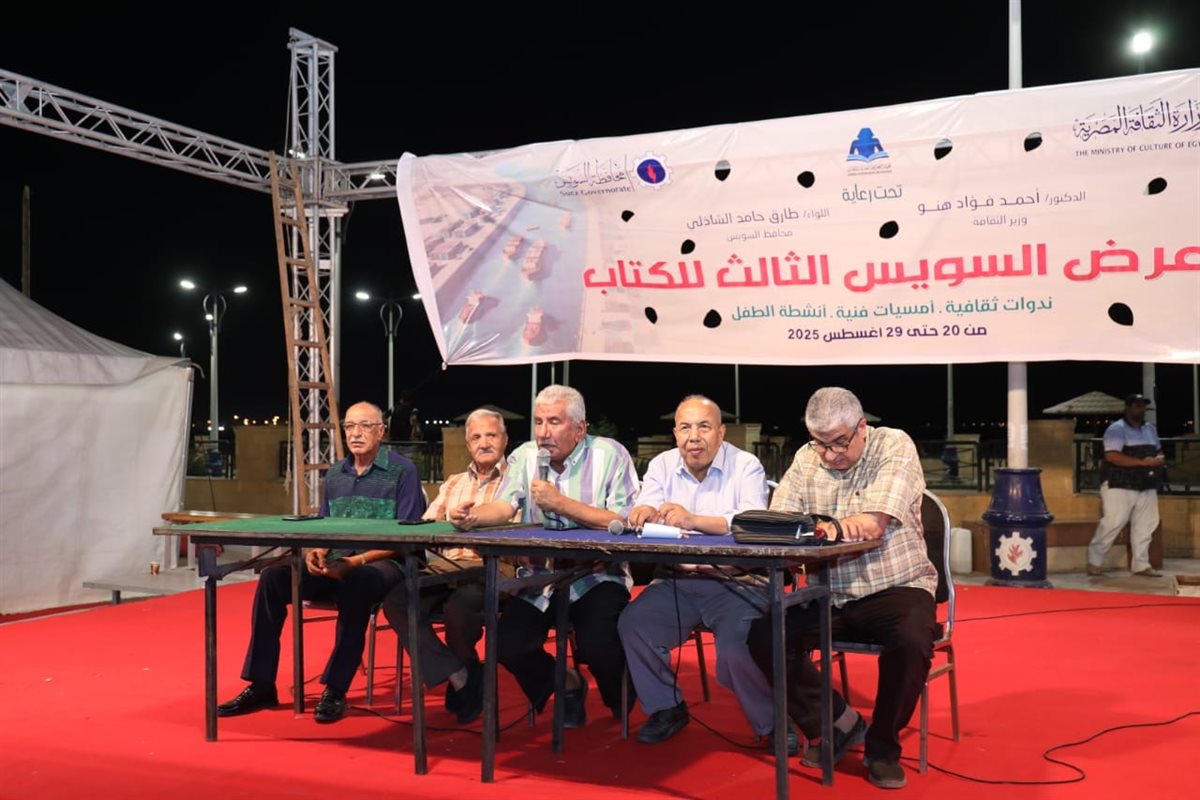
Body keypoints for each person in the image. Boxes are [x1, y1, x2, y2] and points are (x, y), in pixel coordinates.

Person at [746, 387, 937, 790]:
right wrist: (779, 533)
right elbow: (781, 519)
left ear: (862, 427)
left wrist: (827, 529)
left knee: (910, 640)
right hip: (829, 592)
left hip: (896, 585)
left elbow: (873, 523)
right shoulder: (806, 457)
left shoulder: (893, 445)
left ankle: (882, 747)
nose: (830, 454)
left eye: (838, 443)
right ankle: (837, 723)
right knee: (765, 634)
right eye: (820, 443)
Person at [217, 401, 427, 723]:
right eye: (350, 426)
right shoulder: (336, 474)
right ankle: (261, 684)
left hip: (387, 562)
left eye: (365, 426)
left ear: (381, 431)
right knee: (274, 578)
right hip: (338, 561)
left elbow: (407, 538)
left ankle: (335, 689)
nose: (356, 433)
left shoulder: (403, 471)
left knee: (358, 582)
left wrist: (356, 561)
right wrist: (315, 549)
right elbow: (325, 526)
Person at [451, 384, 639, 727]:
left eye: (554, 422)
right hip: (538, 578)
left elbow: (623, 520)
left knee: (598, 642)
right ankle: (567, 684)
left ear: (579, 429)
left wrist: (562, 504)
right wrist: (473, 516)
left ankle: (621, 696)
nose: (543, 432)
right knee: (507, 645)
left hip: (595, 575)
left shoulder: (610, 455)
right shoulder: (525, 456)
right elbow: (504, 506)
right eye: (538, 422)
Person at [618, 396, 796, 751]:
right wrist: (643, 512)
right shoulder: (662, 464)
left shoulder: (745, 465)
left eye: (704, 427)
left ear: (721, 432)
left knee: (735, 649)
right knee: (633, 624)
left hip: (738, 582)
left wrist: (692, 520)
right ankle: (667, 707)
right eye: (685, 428)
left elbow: (749, 523)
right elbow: (647, 504)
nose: (694, 437)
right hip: (677, 580)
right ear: (675, 434)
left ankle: (774, 721)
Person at [381, 407, 517, 724]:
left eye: (491, 435)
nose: (484, 443)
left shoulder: (517, 483)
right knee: (398, 601)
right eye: (476, 437)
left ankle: (464, 669)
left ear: (505, 440)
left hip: (492, 566)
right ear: (468, 444)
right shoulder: (454, 483)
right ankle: (460, 673)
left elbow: (523, 529)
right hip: (445, 566)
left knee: (459, 607)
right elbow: (427, 526)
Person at [1086, 393, 1165, 578]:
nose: (1141, 409)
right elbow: (1112, 456)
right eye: (1137, 406)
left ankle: (1141, 565)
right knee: (1113, 522)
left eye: (1143, 406)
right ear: (1127, 408)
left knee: (1146, 524)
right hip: (1119, 483)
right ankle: (1095, 561)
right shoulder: (1116, 429)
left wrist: (1158, 459)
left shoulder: (1150, 429)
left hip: (1145, 484)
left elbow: (1159, 450)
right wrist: (1142, 462)